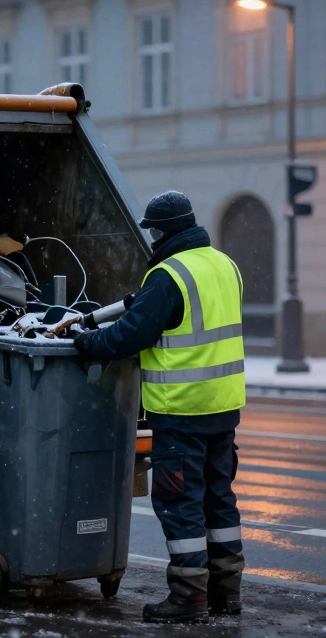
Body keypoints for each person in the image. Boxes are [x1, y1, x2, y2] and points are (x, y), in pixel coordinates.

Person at [74, 190, 246, 625]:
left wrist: (88, 342)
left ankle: (189, 597)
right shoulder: (224, 264)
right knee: (218, 500)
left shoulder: (169, 274)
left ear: (162, 232)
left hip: (181, 409)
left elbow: (131, 335)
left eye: (153, 232)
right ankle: (226, 592)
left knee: (181, 501)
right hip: (223, 407)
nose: (152, 239)